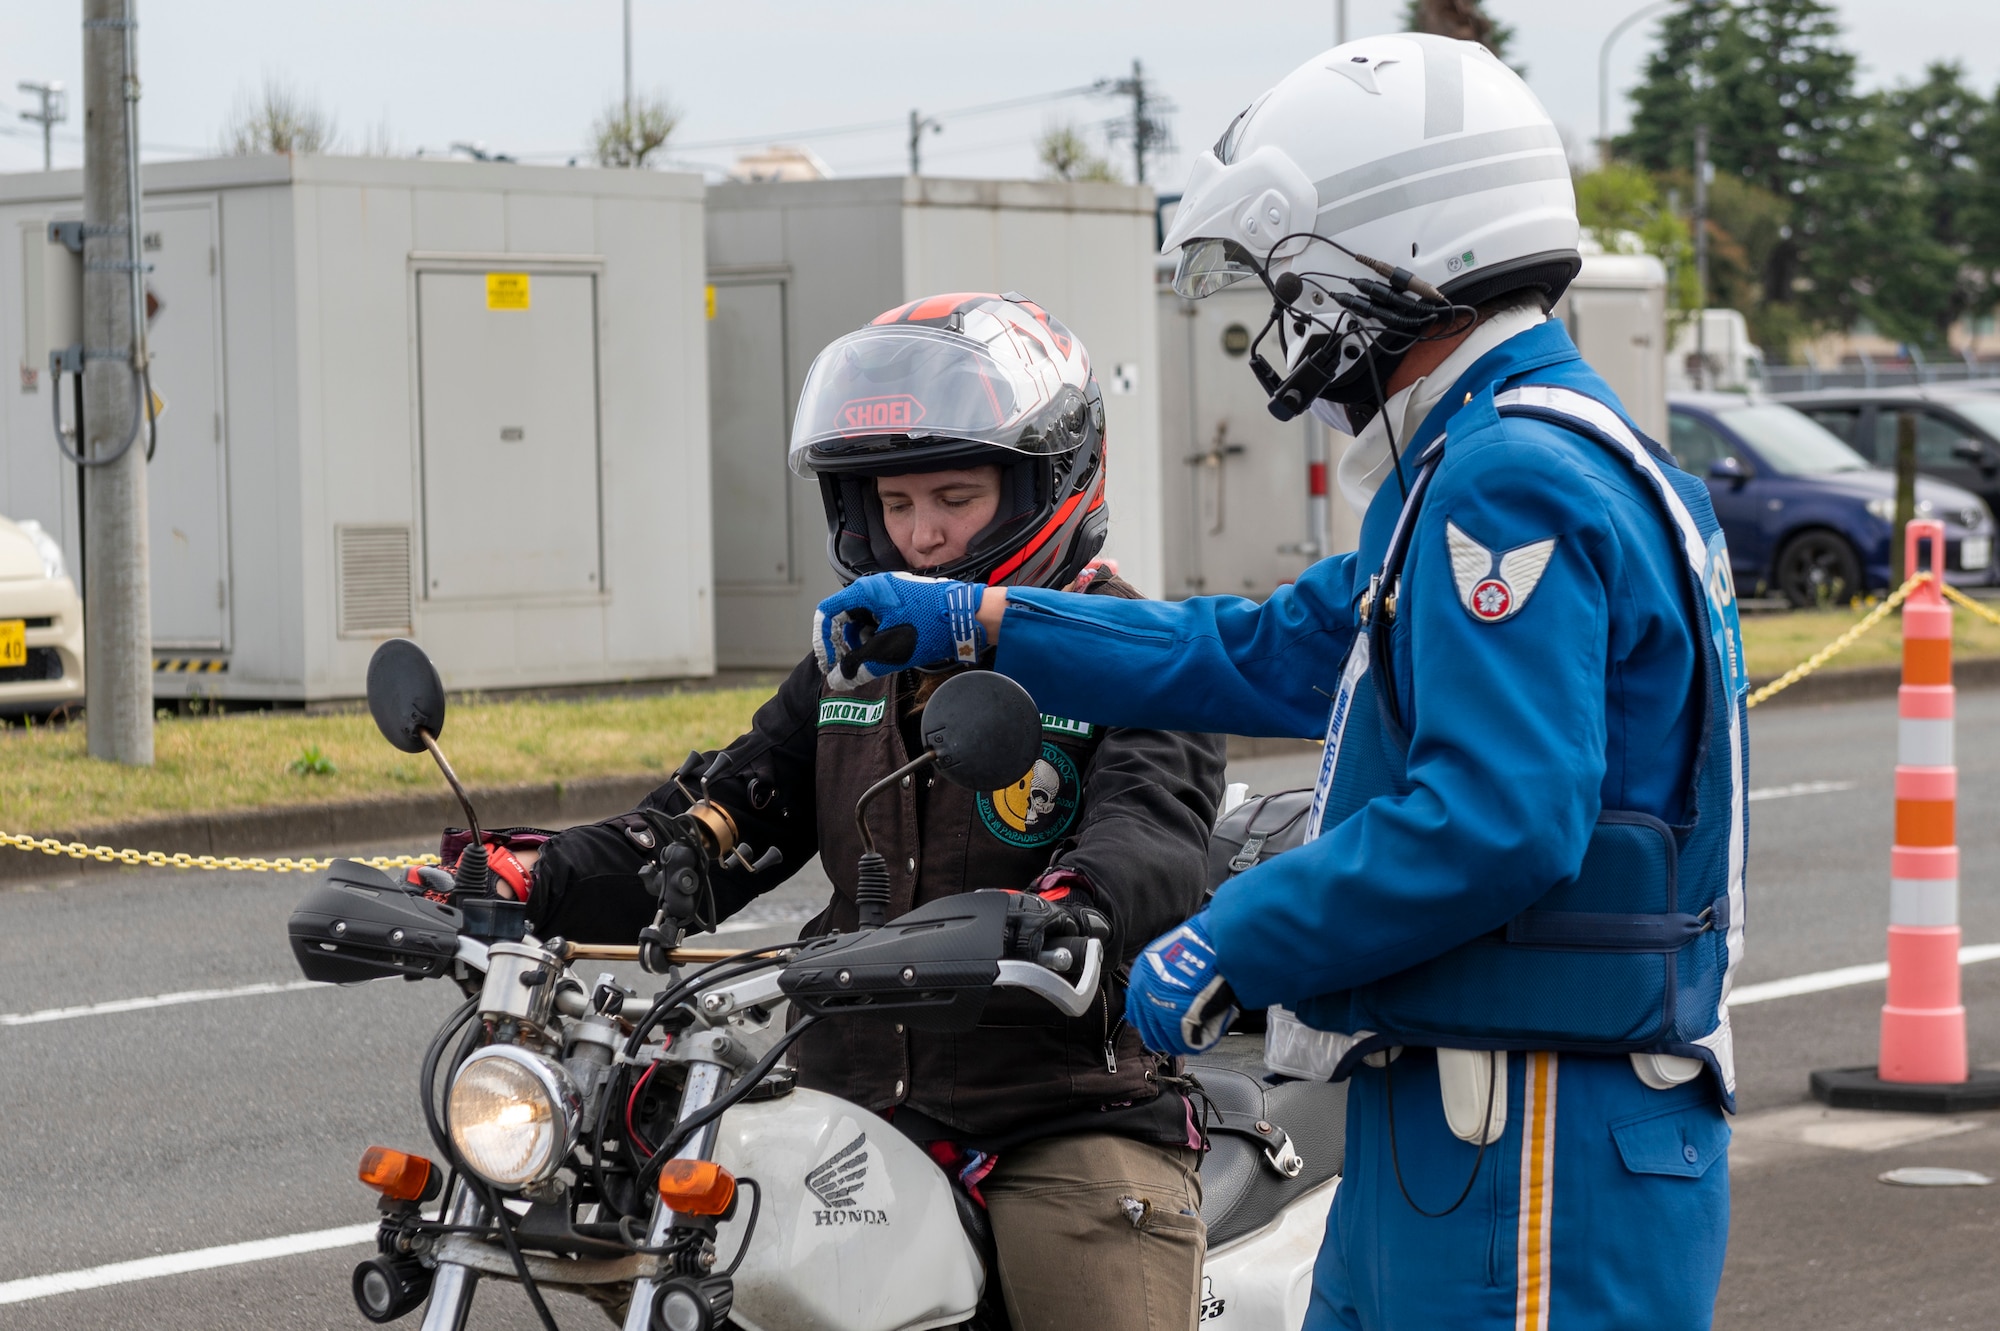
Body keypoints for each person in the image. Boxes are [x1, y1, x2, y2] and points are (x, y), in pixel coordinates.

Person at [811, 35, 1746, 1331]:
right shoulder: (1492, 454)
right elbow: (1251, 652)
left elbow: (1501, 815)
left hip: (1533, 1122)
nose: (1284, 313)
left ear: (1398, 253)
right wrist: (981, 618)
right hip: (1462, 1109)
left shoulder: (1504, 475)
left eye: (1291, 273)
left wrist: (1230, 933)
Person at [498, 293, 1225, 1331]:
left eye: (954, 496)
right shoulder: (854, 661)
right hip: (842, 1100)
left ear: (1044, 486)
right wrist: (519, 876)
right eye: (896, 503)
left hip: (1057, 1109)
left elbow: (1154, 829)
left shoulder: (1136, 654)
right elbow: (713, 821)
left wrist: (1071, 908)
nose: (921, 535)